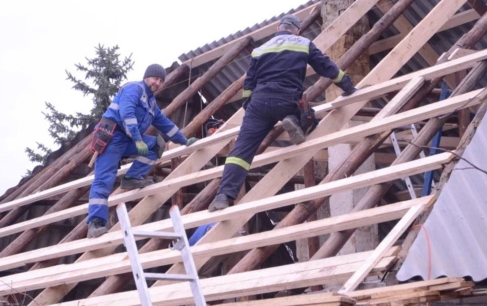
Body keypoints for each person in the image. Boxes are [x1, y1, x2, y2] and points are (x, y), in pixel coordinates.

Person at [208, 15, 357, 212]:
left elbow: (249, 83)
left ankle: (223, 195)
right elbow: (326, 67)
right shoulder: (303, 43)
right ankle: (293, 120)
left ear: (278, 28)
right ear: (297, 30)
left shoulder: (260, 49)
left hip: (259, 103)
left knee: (241, 151)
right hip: (287, 100)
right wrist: (347, 86)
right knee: (309, 118)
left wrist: (249, 106)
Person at [87, 64, 197, 238]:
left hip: (128, 140)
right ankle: (95, 224)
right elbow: (127, 115)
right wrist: (138, 140)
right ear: (146, 77)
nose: (157, 83)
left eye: (161, 81)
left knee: (157, 144)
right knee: (104, 180)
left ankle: (132, 178)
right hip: (112, 138)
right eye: (155, 79)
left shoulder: (151, 103)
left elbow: (165, 124)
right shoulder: (133, 89)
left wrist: (184, 140)